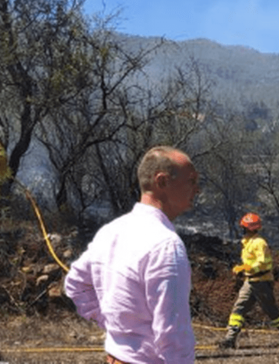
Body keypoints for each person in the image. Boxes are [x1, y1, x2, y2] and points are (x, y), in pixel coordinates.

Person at [64, 146, 199, 364]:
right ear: (162, 182)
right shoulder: (166, 245)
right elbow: (172, 333)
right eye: (191, 181)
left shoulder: (112, 231)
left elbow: (76, 284)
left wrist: (115, 326)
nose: (197, 189)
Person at [219, 212, 279, 349]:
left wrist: (245, 267)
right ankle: (230, 339)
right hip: (250, 281)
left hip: (262, 281)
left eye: (244, 227)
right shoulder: (247, 242)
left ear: (249, 228)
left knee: (271, 311)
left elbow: (263, 263)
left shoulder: (259, 243)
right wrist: (243, 268)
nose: (242, 229)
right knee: (239, 308)